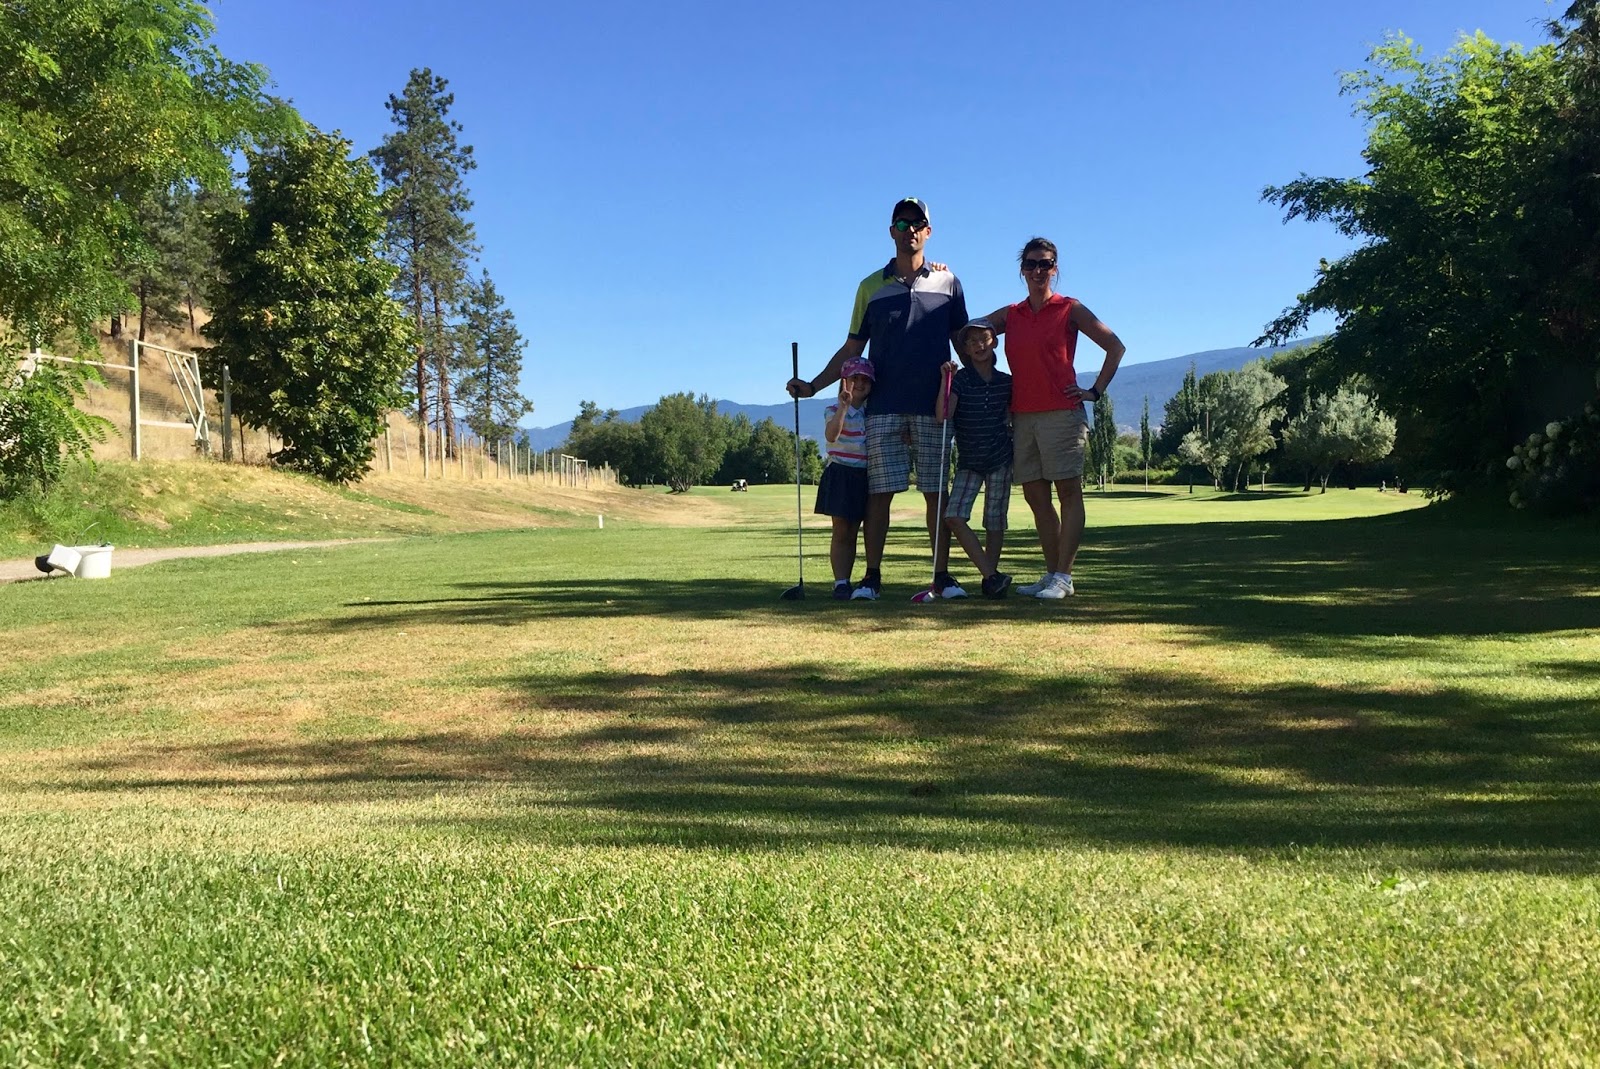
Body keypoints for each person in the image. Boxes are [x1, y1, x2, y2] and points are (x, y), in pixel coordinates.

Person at [787, 197, 969, 601]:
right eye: (902, 224)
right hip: (883, 407)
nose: (909, 231)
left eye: (917, 224)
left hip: (934, 407)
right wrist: (814, 386)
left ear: (928, 231)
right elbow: (853, 347)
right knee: (879, 496)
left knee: (936, 494)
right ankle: (871, 578)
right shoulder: (870, 286)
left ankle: (941, 576)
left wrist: (983, 382)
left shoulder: (949, 282)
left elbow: (962, 341)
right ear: (891, 232)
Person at [981, 237, 1125, 599]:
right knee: (1036, 498)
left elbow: (1115, 346)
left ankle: (1064, 575)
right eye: (1031, 264)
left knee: (1068, 493)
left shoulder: (1069, 308)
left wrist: (1095, 391)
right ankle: (1051, 574)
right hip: (1022, 417)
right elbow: (969, 332)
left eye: (1045, 264)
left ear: (1054, 269)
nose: (1038, 271)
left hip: (1062, 414)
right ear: (1022, 270)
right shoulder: (1011, 314)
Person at [936, 320, 1013, 597]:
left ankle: (991, 582)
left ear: (995, 342)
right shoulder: (960, 380)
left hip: (1000, 457)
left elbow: (1012, 416)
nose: (979, 345)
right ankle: (992, 575)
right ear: (965, 349)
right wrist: (945, 380)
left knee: (994, 520)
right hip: (969, 459)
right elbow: (943, 415)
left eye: (984, 339)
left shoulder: (1007, 382)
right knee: (954, 516)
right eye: (972, 342)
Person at [815, 356, 874, 599]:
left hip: (863, 474)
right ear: (844, 381)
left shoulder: (872, 413)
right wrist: (844, 407)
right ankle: (841, 582)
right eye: (854, 378)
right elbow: (831, 435)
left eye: (865, 380)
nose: (859, 384)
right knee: (841, 530)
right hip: (840, 472)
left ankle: (850, 579)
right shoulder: (833, 410)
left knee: (854, 531)